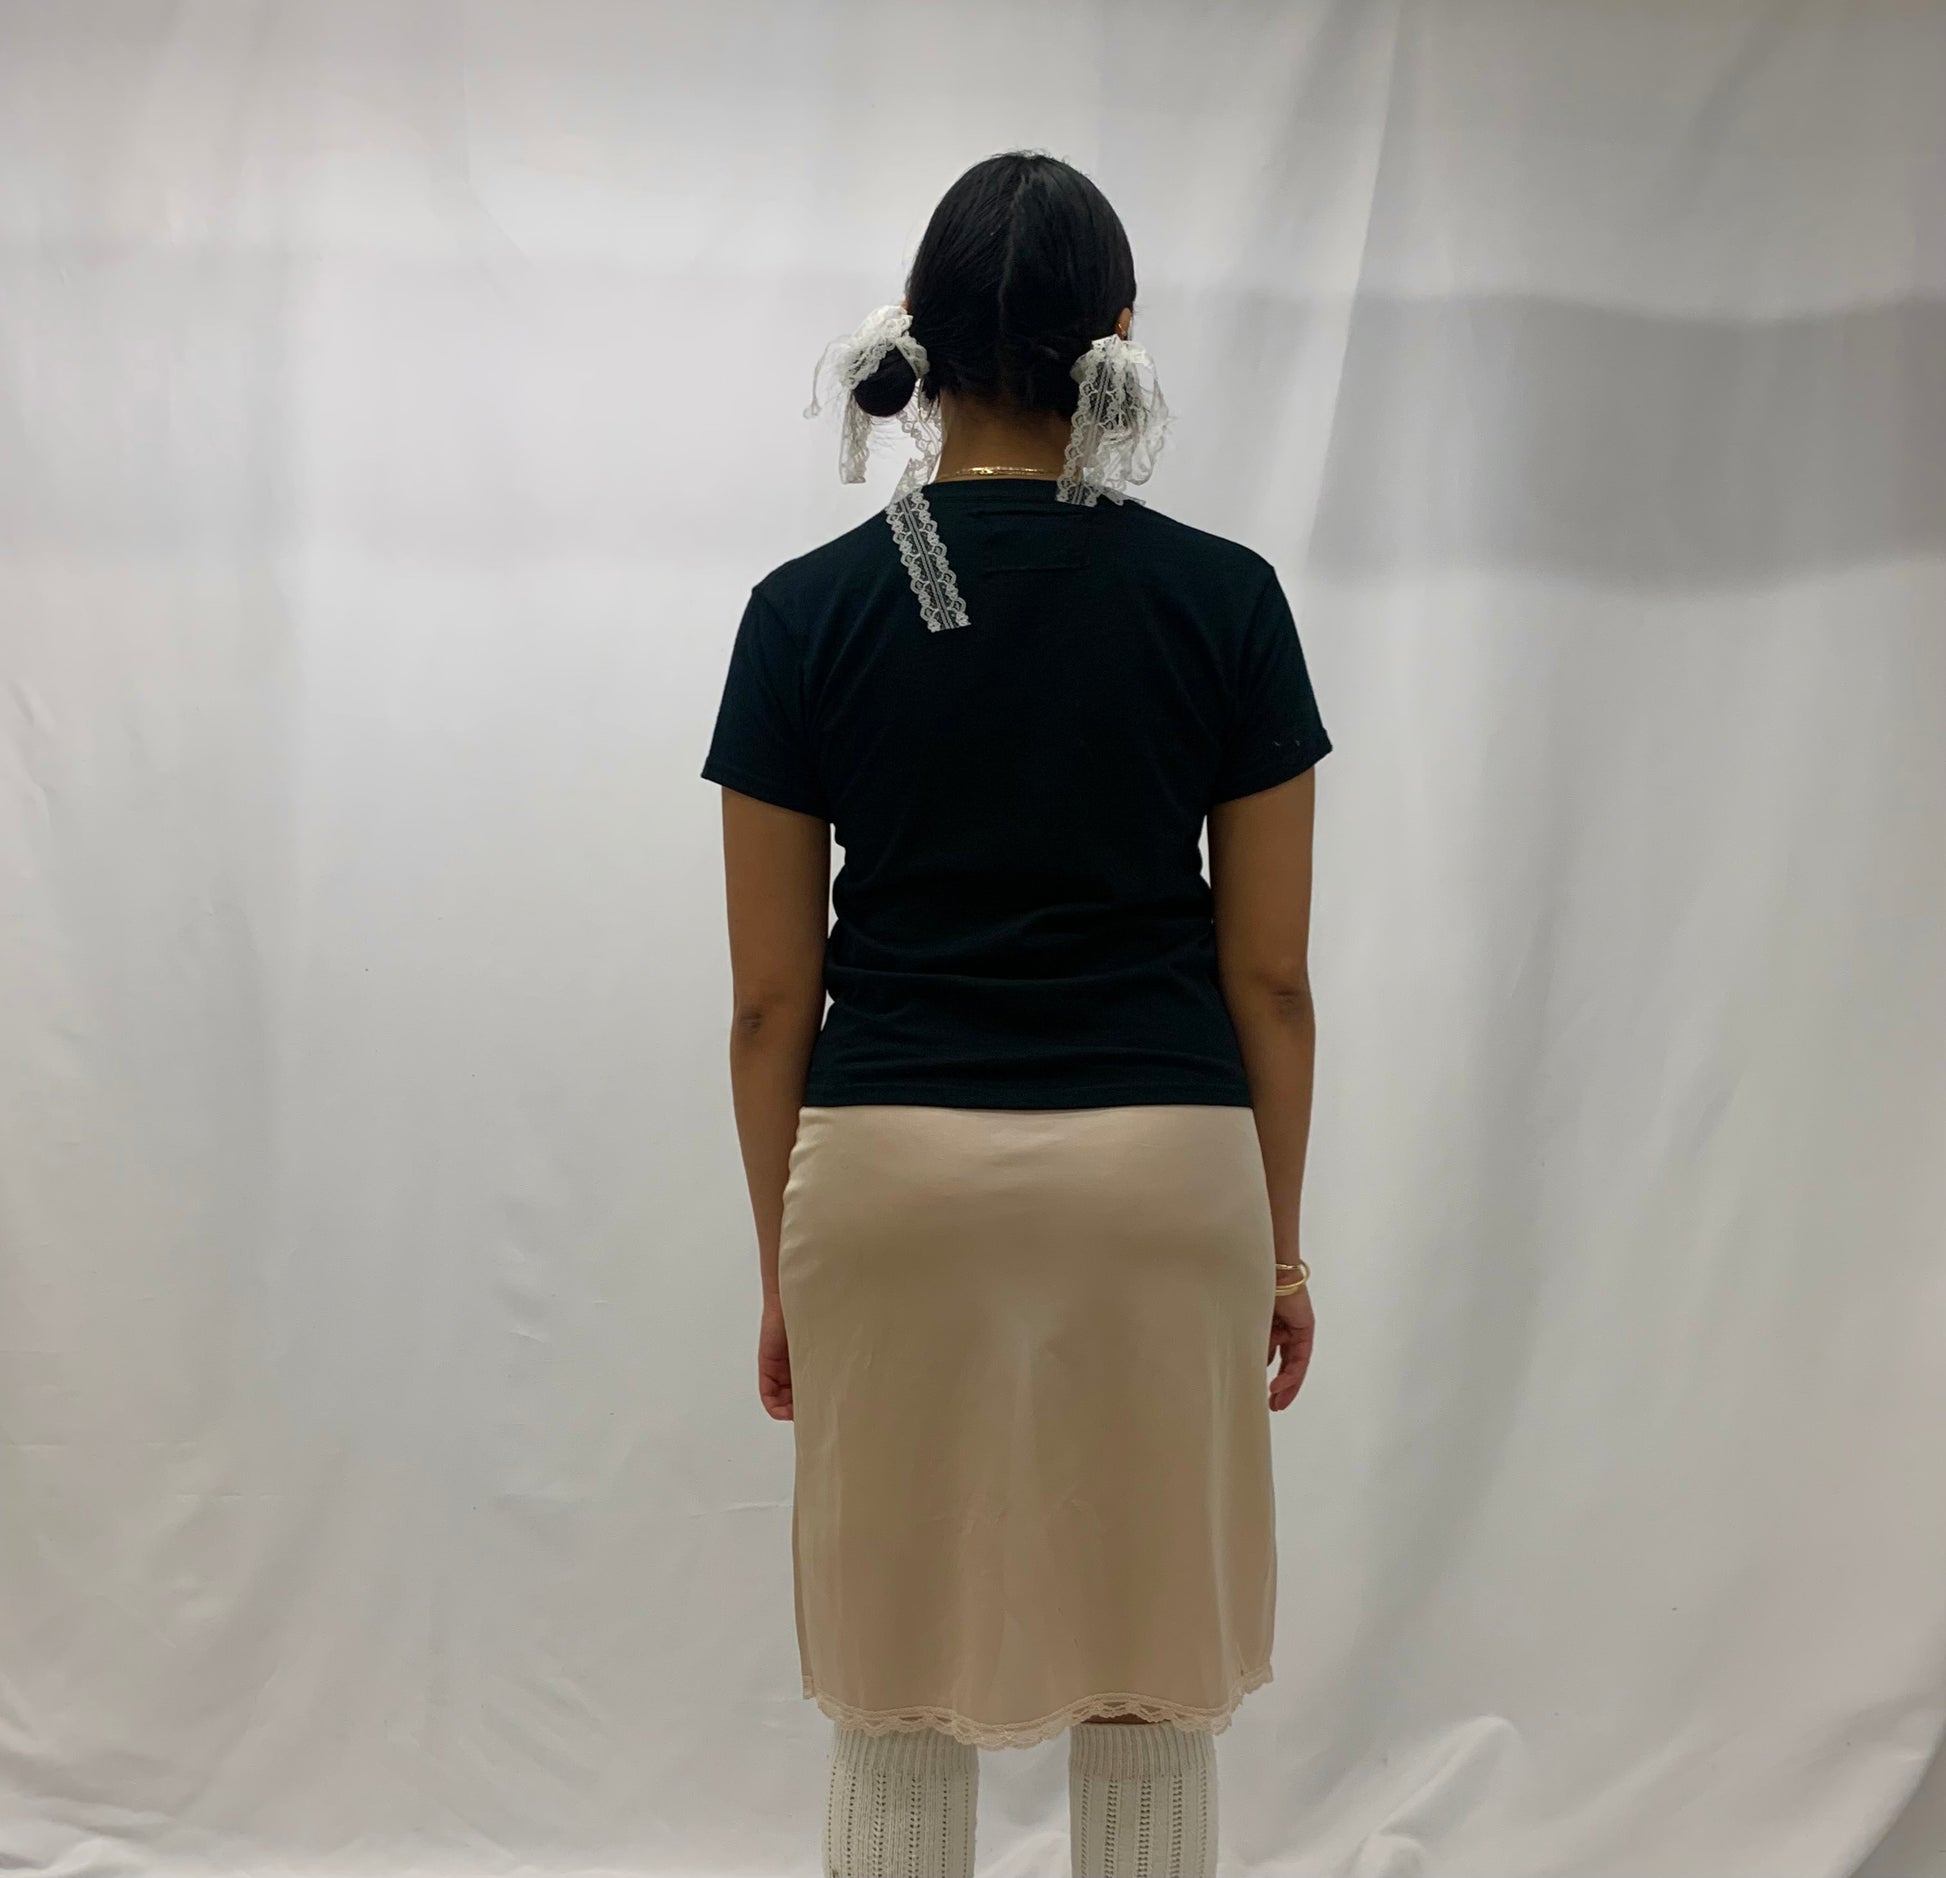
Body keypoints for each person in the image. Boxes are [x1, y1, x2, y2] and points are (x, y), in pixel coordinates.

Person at [701, 148, 1329, 1878]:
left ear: (917, 331)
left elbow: (769, 997)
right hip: (1162, 1178)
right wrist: (1277, 1250)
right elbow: (1269, 977)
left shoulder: (802, 613)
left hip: (887, 1178)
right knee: (1149, 1665)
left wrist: (782, 1262)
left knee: (897, 1671)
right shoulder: (1224, 601)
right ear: (1115, 331)